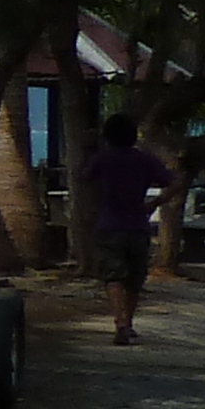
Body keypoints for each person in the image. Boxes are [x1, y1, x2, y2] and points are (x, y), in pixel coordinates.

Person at [80, 111, 175, 346]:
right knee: (134, 278)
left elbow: (85, 178)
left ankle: (120, 323)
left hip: (109, 224)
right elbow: (173, 183)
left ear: (107, 136)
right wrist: (153, 204)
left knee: (113, 277)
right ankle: (128, 323)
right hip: (138, 225)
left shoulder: (103, 159)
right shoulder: (144, 159)